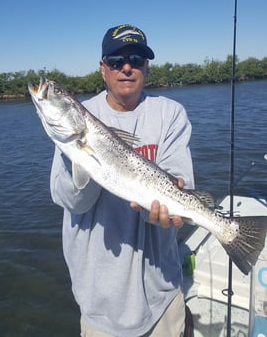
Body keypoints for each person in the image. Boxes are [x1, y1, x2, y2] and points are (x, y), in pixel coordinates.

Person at [50, 24, 195, 337]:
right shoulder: (80, 118)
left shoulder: (170, 113)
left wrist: (165, 210)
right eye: (116, 60)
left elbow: (182, 184)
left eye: (136, 59)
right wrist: (80, 152)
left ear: (146, 67)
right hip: (100, 302)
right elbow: (73, 201)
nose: (126, 67)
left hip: (162, 295)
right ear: (103, 69)